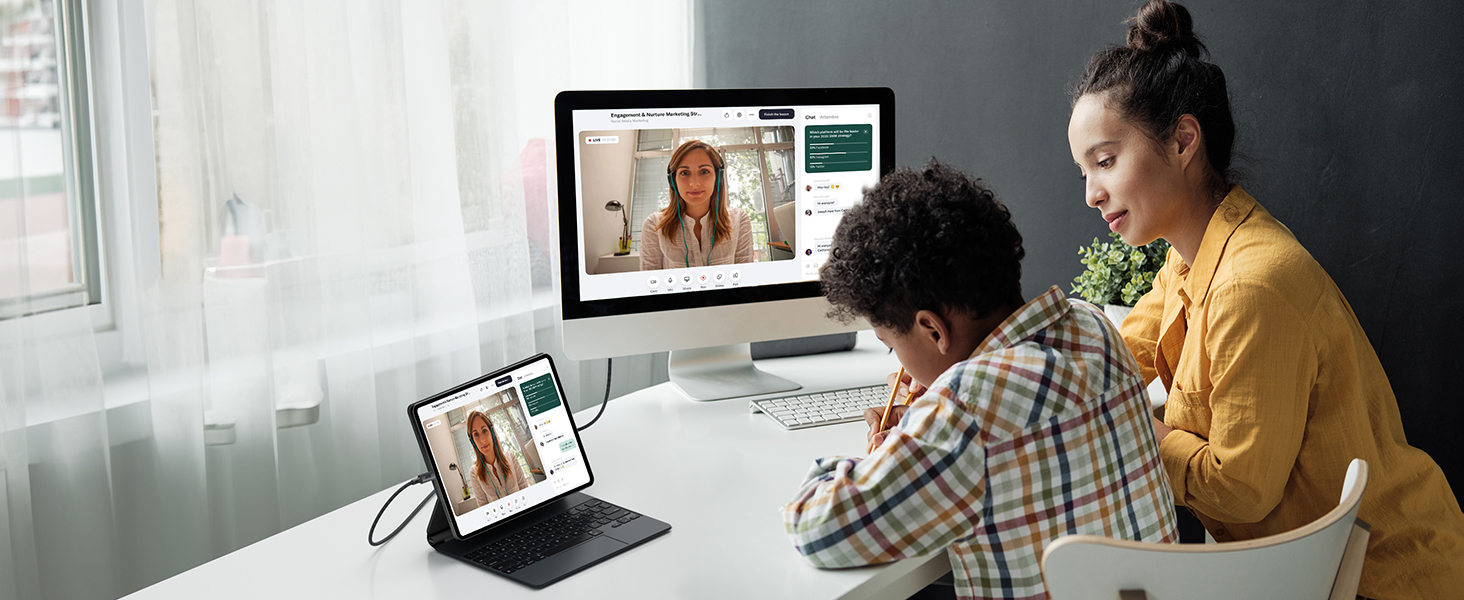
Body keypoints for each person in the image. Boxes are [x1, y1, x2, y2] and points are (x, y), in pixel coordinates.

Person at [1066, 2, 1464, 597]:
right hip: (1308, 573)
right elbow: (1123, 351)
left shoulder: (1250, 284)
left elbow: (1241, 490)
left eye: (1105, 161)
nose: (1093, 195)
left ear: (1182, 140)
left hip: (1384, 578)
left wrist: (1145, 430)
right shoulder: (1192, 252)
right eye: (1083, 172)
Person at [782, 160, 1177, 600]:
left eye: (892, 346)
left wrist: (891, 450)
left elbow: (815, 527)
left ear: (933, 330)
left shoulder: (962, 411)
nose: (901, 366)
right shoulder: (1094, 328)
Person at [639, 140, 754, 270]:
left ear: (718, 177)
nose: (694, 184)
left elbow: (745, 281)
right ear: (673, 181)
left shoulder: (739, 220)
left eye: (704, 171)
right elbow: (652, 284)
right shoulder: (654, 225)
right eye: (684, 173)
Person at [465, 410, 531, 505]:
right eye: (476, 435)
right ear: (472, 441)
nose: (483, 440)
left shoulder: (511, 457)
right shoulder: (474, 473)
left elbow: (525, 490)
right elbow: (484, 508)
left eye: (484, 431)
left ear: (492, 432)